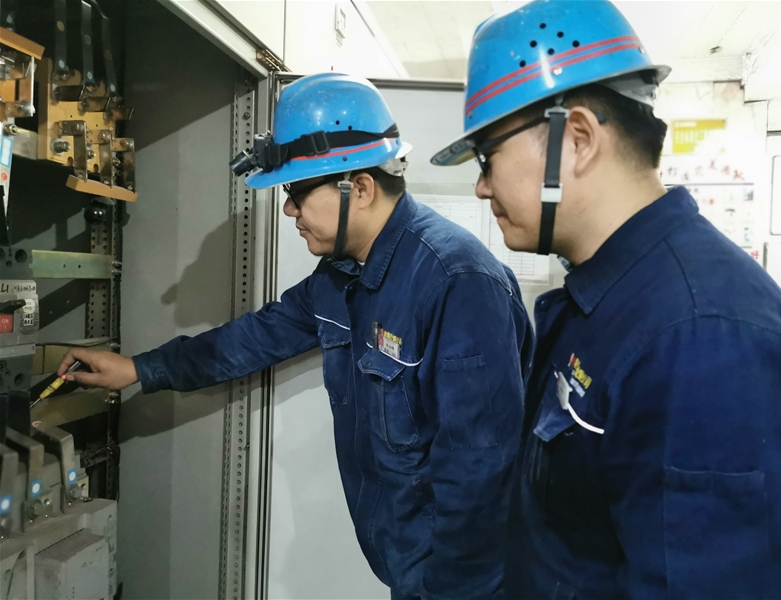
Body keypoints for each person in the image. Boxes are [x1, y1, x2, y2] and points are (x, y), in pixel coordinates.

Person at [60, 73, 534, 599]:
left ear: (360, 188)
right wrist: (139, 369)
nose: (289, 210)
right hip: (410, 565)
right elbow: (258, 336)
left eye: (297, 192)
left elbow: (481, 470)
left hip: (460, 582)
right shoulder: (342, 275)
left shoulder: (457, 281)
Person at [431, 1, 781, 598]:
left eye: (486, 156)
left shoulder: (703, 337)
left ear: (574, 140)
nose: (480, 185)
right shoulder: (609, 296)